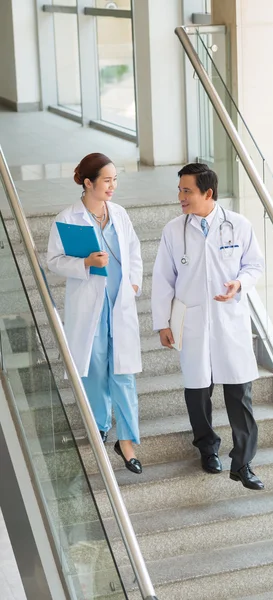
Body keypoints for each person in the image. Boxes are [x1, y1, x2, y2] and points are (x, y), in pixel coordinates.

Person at [151, 163, 265, 490]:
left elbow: (254, 265)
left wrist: (240, 283)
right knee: (197, 391)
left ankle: (242, 463)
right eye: (180, 190)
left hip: (229, 320)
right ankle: (207, 447)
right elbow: (162, 280)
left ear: (208, 193)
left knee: (239, 392)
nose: (181, 197)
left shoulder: (238, 226)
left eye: (187, 191)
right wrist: (162, 324)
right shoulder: (174, 230)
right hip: (192, 321)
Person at [47, 153, 143, 474]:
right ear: (88, 183)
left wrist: (133, 285)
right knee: (96, 368)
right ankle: (100, 426)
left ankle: (127, 441)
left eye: (115, 179)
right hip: (91, 306)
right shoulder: (68, 218)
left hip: (119, 303)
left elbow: (134, 251)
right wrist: (86, 263)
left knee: (124, 372)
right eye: (107, 180)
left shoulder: (119, 214)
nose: (113, 186)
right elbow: (54, 261)